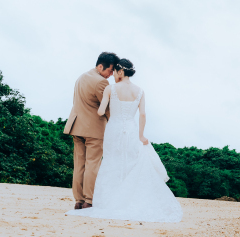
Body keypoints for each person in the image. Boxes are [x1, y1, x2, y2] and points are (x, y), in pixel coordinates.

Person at [66, 58, 183, 223]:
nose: (113, 74)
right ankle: (125, 199)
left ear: (120, 71)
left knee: (111, 163)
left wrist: (105, 107)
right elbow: (142, 114)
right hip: (131, 129)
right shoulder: (140, 91)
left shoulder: (110, 88)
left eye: (114, 71)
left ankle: (94, 200)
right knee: (129, 163)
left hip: (113, 130)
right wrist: (141, 135)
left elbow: (100, 111)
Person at [64, 51, 119, 210]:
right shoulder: (101, 82)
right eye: (109, 70)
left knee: (79, 165)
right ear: (101, 66)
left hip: (76, 126)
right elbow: (107, 108)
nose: (110, 74)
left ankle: (78, 200)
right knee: (92, 165)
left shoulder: (81, 77)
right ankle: (89, 200)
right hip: (94, 129)